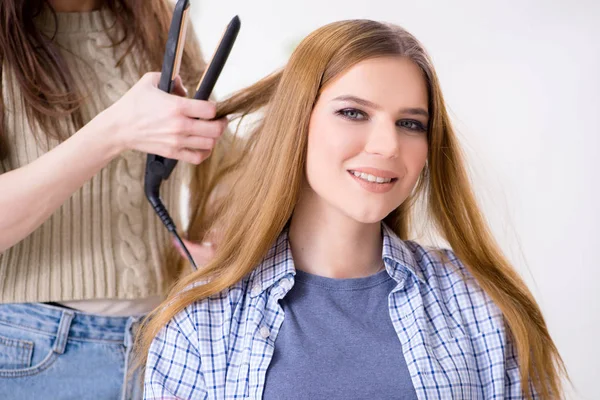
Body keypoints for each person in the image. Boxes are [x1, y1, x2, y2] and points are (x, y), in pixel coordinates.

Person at [140, 19, 567, 399]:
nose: (387, 145)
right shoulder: (202, 322)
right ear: (296, 124)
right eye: (353, 112)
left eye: (410, 123)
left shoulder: (478, 302)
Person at [0, 0, 229, 398]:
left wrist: (226, 225)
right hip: (33, 346)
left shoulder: (161, 23)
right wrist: (113, 131)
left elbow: (221, 158)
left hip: (165, 337)